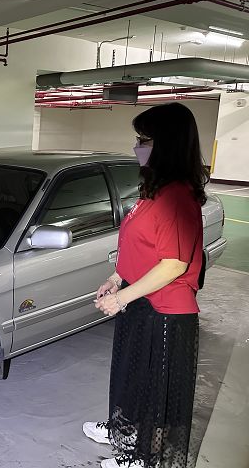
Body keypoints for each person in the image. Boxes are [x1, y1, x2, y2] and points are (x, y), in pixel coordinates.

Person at [83, 103, 208, 468]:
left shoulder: (177, 197)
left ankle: (145, 459)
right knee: (133, 376)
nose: (138, 146)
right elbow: (139, 246)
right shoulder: (153, 191)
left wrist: (122, 296)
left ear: (165, 145)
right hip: (140, 301)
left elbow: (173, 264)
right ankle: (124, 430)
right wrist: (115, 277)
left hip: (166, 311)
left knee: (158, 392)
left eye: (145, 140)